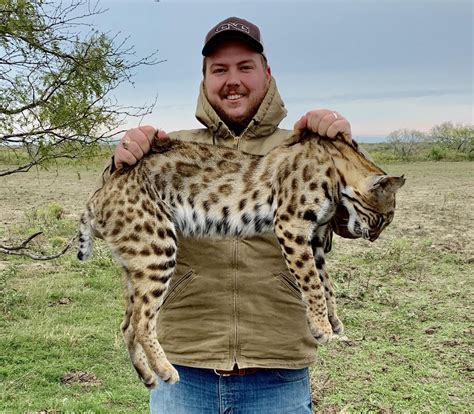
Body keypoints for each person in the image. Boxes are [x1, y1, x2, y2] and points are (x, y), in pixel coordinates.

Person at [109, 17, 352, 413]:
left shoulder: (304, 148)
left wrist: (343, 151)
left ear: (267, 73)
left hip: (278, 373)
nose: (232, 79)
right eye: (219, 70)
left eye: (245, 67)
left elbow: (357, 224)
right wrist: (120, 163)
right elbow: (123, 209)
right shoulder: (172, 149)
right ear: (204, 79)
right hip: (184, 372)